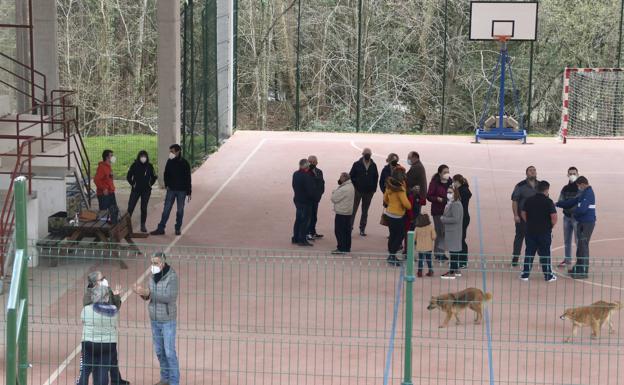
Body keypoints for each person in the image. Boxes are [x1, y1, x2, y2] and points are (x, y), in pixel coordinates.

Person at [132, 252, 180, 385]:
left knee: (169, 352)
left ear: (162, 263)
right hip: (154, 319)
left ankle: (174, 381)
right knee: (159, 351)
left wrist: (150, 293)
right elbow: (149, 296)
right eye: (151, 263)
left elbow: (170, 297)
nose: (153, 266)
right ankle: (165, 379)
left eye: (155, 263)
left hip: (167, 320)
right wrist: (142, 293)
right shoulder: (153, 276)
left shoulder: (172, 277)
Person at [79, 272, 128, 385]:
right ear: (95, 283)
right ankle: (115, 380)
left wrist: (116, 296)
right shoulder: (89, 295)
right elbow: (115, 309)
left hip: (92, 339)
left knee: (89, 368)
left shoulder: (107, 290)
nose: (105, 279)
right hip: (107, 340)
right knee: (102, 368)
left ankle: (116, 380)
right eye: (102, 278)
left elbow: (84, 316)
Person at [556, 176, 596, 279]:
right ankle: (578, 268)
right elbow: (572, 202)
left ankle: (583, 270)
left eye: (578, 186)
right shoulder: (584, 193)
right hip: (582, 223)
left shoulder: (588, 194)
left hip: (586, 223)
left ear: (583, 184)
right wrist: (558, 204)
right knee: (580, 247)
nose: (578, 188)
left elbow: (582, 209)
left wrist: (574, 214)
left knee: (583, 246)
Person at [519, 181, 557, 282]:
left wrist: (529, 222)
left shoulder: (529, 200)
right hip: (544, 232)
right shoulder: (548, 201)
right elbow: (554, 217)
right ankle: (548, 275)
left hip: (530, 231)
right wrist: (550, 226)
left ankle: (525, 275)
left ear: (536, 189)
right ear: (546, 190)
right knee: (545, 254)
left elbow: (523, 213)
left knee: (529, 253)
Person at [151, 144, 192, 236]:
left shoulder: (185, 163)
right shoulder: (170, 161)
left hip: (182, 191)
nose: (170, 153)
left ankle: (178, 228)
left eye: (172, 151)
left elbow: (188, 178)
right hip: (171, 190)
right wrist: (167, 185)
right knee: (166, 209)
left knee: (180, 210)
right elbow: (166, 173)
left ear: (178, 151)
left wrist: (189, 191)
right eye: (170, 151)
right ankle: (161, 228)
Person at [511, 166, 539, 266]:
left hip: (536, 218)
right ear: (526, 173)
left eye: (534, 170)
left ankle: (541, 257)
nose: (533, 172)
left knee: (538, 237)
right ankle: (515, 257)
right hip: (522, 217)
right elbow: (515, 201)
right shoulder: (520, 186)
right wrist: (515, 215)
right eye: (530, 170)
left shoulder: (540, 185)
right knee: (519, 236)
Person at [349, 148, 379, 236]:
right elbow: (351, 176)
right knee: (353, 210)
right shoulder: (356, 164)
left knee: (365, 211)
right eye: (366, 153)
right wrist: (356, 184)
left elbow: (376, 177)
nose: (367, 155)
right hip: (357, 191)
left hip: (369, 192)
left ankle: (362, 229)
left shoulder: (373, 165)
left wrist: (373, 189)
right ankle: (350, 227)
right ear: (363, 154)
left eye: (369, 153)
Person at [383, 176, 412, 266]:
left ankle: (391, 254)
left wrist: (392, 204)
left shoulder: (389, 188)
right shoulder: (400, 190)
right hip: (397, 216)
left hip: (389, 214)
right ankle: (392, 254)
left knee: (392, 234)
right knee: (400, 235)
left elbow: (385, 199)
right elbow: (407, 205)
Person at [127, 150, 157, 233]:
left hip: (146, 191)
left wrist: (150, 184)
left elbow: (154, 177)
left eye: (145, 156)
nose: (143, 158)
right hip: (135, 190)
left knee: (144, 208)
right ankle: (126, 225)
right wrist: (133, 184)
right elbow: (128, 176)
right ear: (139, 157)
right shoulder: (134, 165)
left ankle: (143, 225)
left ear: (147, 157)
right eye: (141, 156)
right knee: (130, 208)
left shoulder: (150, 166)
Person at [426, 164, 452, 261]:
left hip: (448, 211)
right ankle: (438, 253)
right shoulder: (434, 183)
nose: (447, 174)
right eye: (445, 172)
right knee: (440, 231)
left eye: (448, 172)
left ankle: (441, 252)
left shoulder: (450, 182)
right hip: (438, 211)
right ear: (440, 173)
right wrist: (437, 199)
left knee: (444, 232)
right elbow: (429, 196)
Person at [557, 167, 579, 267]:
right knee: (567, 240)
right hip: (566, 217)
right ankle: (567, 259)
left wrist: (567, 204)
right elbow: (560, 201)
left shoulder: (580, 188)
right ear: (567, 175)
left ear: (578, 174)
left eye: (574, 173)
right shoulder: (565, 189)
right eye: (570, 174)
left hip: (577, 218)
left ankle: (580, 261)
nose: (572, 175)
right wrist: (566, 204)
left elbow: (579, 203)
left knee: (578, 240)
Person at [291, 158, 317, 246]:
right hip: (306, 202)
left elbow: (294, 186)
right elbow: (310, 191)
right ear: (306, 167)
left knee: (298, 219)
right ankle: (302, 240)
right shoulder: (306, 176)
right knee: (305, 221)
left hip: (297, 199)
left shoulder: (295, 174)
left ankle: (295, 237)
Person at [440, 187, 464, 280]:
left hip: (453, 232)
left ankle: (452, 271)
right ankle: (456, 270)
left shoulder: (456, 204)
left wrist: (443, 219)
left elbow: (455, 218)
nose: (448, 194)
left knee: (453, 252)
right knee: (453, 251)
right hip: (452, 231)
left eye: (450, 192)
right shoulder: (452, 203)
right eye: (447, 192)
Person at [330, 172, 355, 254]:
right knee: (347, 231)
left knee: (339, 231)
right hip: (348, 212)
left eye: (341, 177)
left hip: (342, 212)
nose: (339, 179)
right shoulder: (351, 186)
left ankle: (341, 248)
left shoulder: (344, 189)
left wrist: (334, 192)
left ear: (344, 178)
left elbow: (334, 199)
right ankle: (347, 248)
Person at [94, 149, 119, 223]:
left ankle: (113, 226)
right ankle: (103, 228)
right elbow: (96, 180)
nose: (113, 157)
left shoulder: (108, 166)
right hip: (104, 194)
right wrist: (104, 188)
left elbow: (108, 179)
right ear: (107, 157)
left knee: (114, 210)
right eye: (111, 156)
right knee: (104, 213)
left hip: (111, 192)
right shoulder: (102, 167)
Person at [453, 175, 472, 269]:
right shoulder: (463, 189)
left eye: (454, 182)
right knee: (460, 239)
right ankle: (459, 260)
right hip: (463, 217)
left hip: (462, 218)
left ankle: (463, 261)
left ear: (457, 182)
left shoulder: (462, 191)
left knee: (461, 239)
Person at [307, 155, 325, 241]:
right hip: (308, 199)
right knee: (308, 217)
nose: (312, 164)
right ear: (307, 162)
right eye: (310, 162)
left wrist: (319, 195)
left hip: (316, 199)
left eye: (314, 162)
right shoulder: (305, 172)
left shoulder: (319, 172)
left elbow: (322, 184)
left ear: (317, 163)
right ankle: (307, 233)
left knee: (314, 216)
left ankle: (313, 232)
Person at [406, 151, 428, 218]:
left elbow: (407, 180)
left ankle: (412, 228)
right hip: (419, 195)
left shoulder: (416, 167)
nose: (408, 159)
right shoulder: (418, 165)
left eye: (409, 157)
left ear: (415, 157)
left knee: (413, 217)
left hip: (416, 196)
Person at [415, 213, 436, 278]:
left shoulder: (417, 228)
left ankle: (420, 272)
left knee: (421, 259)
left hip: (420, 247)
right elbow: (434, 236)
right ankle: (430, 271)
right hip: (428, 247)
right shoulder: (430, 227)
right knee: (428, 259)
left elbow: (414, 238)